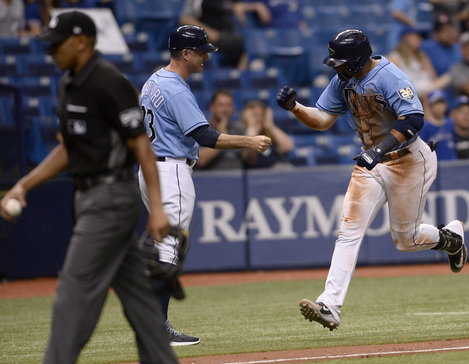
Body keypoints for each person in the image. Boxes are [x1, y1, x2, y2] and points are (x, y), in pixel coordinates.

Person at [0, 11, 178, 363]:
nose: (50, 53)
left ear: (81, 42)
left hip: (110, 197)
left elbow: (141, 146)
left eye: (56, 45)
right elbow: (68, 148)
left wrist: (157, 208)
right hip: (87, 196)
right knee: (138, 297)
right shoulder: (68, 84)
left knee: (73, 290)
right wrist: (24, 184)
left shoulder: (110, 82)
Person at [276, 29, 467, 331]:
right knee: (348, 232)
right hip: (371, 162)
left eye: (340, 61)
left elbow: (415, 119)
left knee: (407, 241)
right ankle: (330, 305)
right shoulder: (343, 81)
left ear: (357, 59)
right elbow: (323, 119)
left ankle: (450, 240)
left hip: (407, 160)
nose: (335, 67)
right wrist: (295, 108)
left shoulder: (391, 76)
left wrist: (378, 150)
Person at [138, 24, 271, 345]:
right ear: (185, 53)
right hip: (171, 171)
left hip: (149, 169)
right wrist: (248, 141)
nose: (205, 58)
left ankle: (152, 323)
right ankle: (157, 328)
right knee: (169, 249)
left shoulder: (154, 80)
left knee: (160, 247)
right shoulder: (176, 89)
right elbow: (204, 136)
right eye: (200, 52)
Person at [179, 0, 271, 70]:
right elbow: (185, 19)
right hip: (211, 38)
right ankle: (241, 76)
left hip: (230, 35)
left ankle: (241, 76)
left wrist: (253, 6)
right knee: (247, 43)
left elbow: (232, 5)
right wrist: (210, 34)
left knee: (253, 41)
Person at [386, 27, 450, 103]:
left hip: (429, 92)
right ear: (407, 38)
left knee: (448, 78)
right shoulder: (394, 58)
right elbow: (394, 86)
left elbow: (434, 79)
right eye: (416, 36)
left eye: (420, 37)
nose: (420, 39)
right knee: (448, 77)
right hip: (410, 93)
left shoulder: (422, 57)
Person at [196, 89, 253, 170]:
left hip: (238, 178)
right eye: (221, 105)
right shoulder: (202, 129)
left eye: (229, 105)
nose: (225, 109)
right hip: (212, 179)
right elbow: (201, 160)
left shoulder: (238, 128)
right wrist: (222, 136)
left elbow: (250, 161)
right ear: (212, 107)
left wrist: (252, 132)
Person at [240, 99, 294, 168]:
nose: (258, 118)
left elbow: (288, 147)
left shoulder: (269, 133)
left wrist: (270, 125)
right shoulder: (241, 131)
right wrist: (252, 130)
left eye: (261, 114)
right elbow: (249, 160)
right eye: (254, 114)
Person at [420, 90, 458, 161]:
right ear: (430, 106)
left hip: (453, 164)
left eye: (441, 104)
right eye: (436, 104)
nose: (439, 107)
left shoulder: (450, 123)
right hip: (436, 165)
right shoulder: (425, 127)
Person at [421, 13, 463, 78]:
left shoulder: (459, 47)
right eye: (444, 31)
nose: (449, 33)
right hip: (436, 85)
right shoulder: (426, 47)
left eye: (451, 29)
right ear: (436, 34)